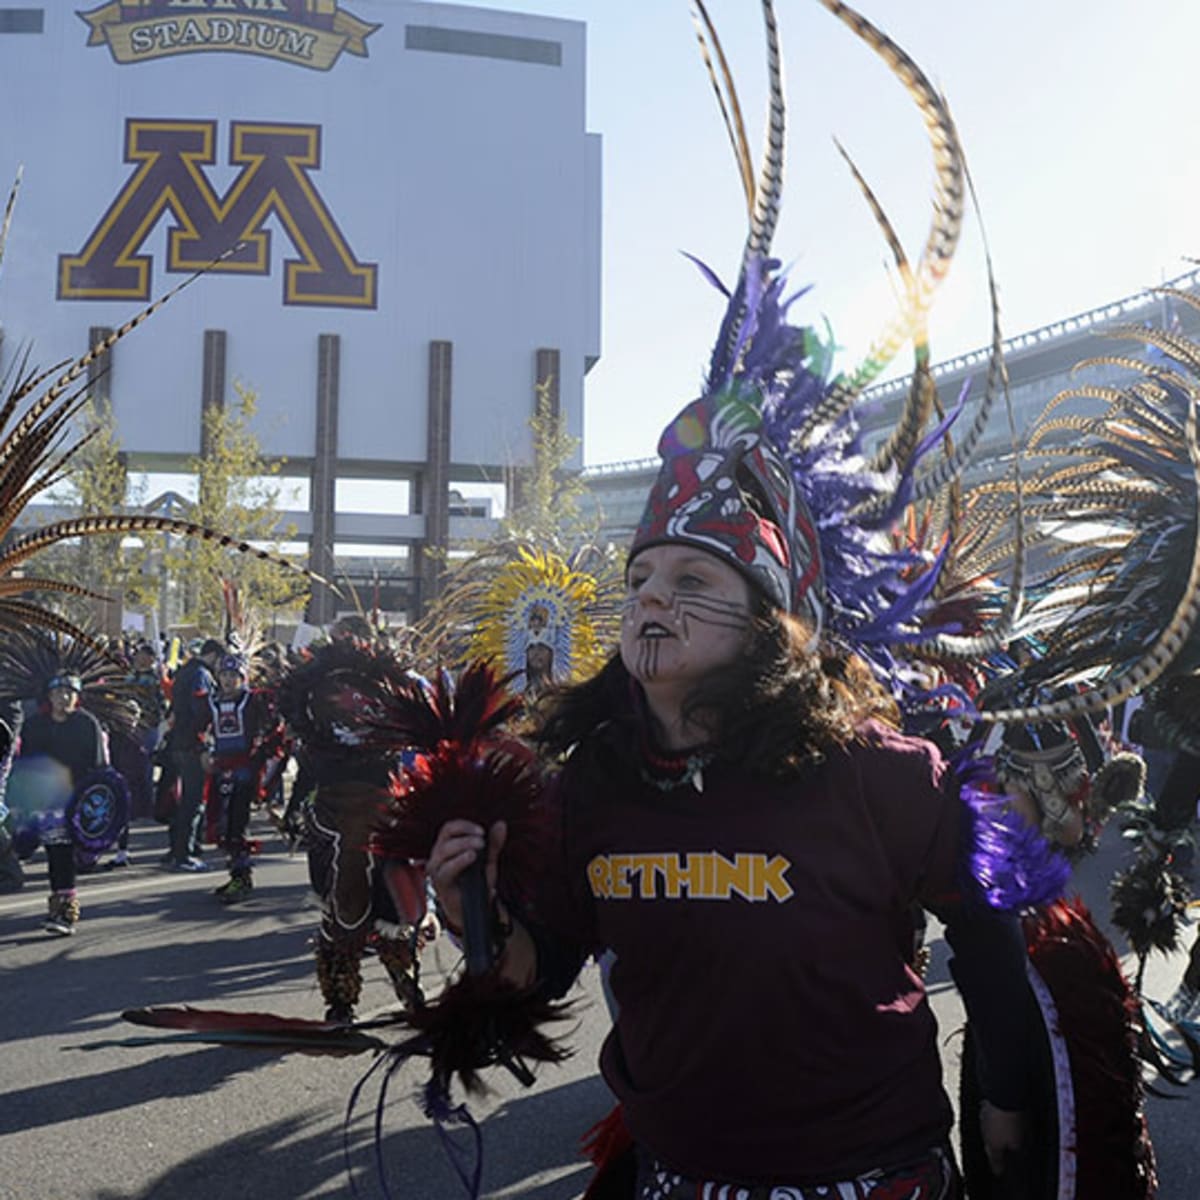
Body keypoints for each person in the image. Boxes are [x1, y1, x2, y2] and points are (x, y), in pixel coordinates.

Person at [14, 673, 107, 934]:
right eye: (58, 693)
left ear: (77, 697)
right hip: (46, 798)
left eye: (69, 693)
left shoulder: (87, 724)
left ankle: (65, 909)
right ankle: (59, 903)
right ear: (49, 696)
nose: (63, 698)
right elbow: (26, 765)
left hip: (77, 798)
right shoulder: (35, 725)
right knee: (55, 851)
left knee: (64, 851)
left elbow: (99, 767)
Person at [202, 653, 283, 904]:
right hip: (220, 767)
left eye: (233, 676)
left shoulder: (254, 701)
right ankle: (235, 873)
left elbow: (275, 726)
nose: (228, 681)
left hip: (245, 769)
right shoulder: (211, 702)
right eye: (224, 676)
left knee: (237, 823)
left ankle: (242, 877)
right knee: (221, 823)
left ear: (242, 678)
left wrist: (263, 753)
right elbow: (198, 728)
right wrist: (203, 751)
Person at [164, 637, 223, 871]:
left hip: (178, 740)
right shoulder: (201, 675)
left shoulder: (185, 671)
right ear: (214, 656)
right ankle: (184, 853)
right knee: (193, 799)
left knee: (182, 799)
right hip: (192, 743)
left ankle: (178, 848)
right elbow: (202, 710)